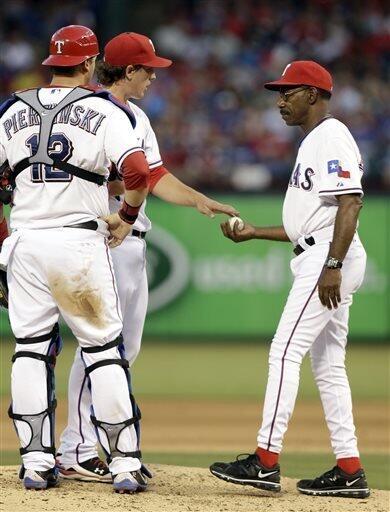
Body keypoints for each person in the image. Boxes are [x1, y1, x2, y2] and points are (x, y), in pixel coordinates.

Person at [57, 31, 239, 482]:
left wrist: (198, 198)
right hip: (106, 238)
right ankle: (74, 447)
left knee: (124, 350)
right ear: (130, 70)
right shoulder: (93, 113)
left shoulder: (134, 115)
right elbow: (91, 178)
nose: (154, 78)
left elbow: (153, 174)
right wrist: (121, 196)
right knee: (100, 346)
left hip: (131, 239)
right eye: (149, 70)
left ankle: (101, 444)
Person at [0, 25, 154, 493]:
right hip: (78, 243)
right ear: (89, 65)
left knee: (30, 348)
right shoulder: (103, 109)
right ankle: (124, 462)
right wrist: (126, 215)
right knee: (104, 349)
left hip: (25, 242)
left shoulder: (10, 109)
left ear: (51, 62)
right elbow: (137, 171)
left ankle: (36, 463)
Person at [209, 61, 370, 499]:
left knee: (284, 350)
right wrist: (255, 232)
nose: (280, 100)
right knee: (329, 366)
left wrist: (332, 265)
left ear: (314, 95)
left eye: (289, 92)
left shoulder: (330, 135)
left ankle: (265, 460)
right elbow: (310, 223)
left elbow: (350, 203)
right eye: (279, 93)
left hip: (327, 257)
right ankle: (349, 468)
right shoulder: (314, 140)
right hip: (320, 249)